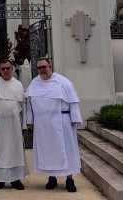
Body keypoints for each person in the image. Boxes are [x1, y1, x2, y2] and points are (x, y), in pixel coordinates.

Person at [25, 57, 82, 193]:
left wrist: (75, 118)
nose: (42, 70)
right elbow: (28, 104)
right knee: (48, 150)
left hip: (62, 122)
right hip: (43, 124)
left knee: (67, 150)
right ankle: (52, 178)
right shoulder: (35, 83)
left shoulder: (63, 82)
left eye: (44, 67)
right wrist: (30, 120)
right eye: (39, 68)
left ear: (50, 67)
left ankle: (69, 179)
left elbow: (73, 101)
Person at [0, 59, 29, 190]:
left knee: (16, 151)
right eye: (3, 69)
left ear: (12, 69)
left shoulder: (18, 84)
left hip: (15, 124)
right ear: (0, 70)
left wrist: (24, 125)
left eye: (8, 68)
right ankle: (0, 179)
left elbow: (23, 106)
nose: (6, 71)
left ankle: (16, 179)